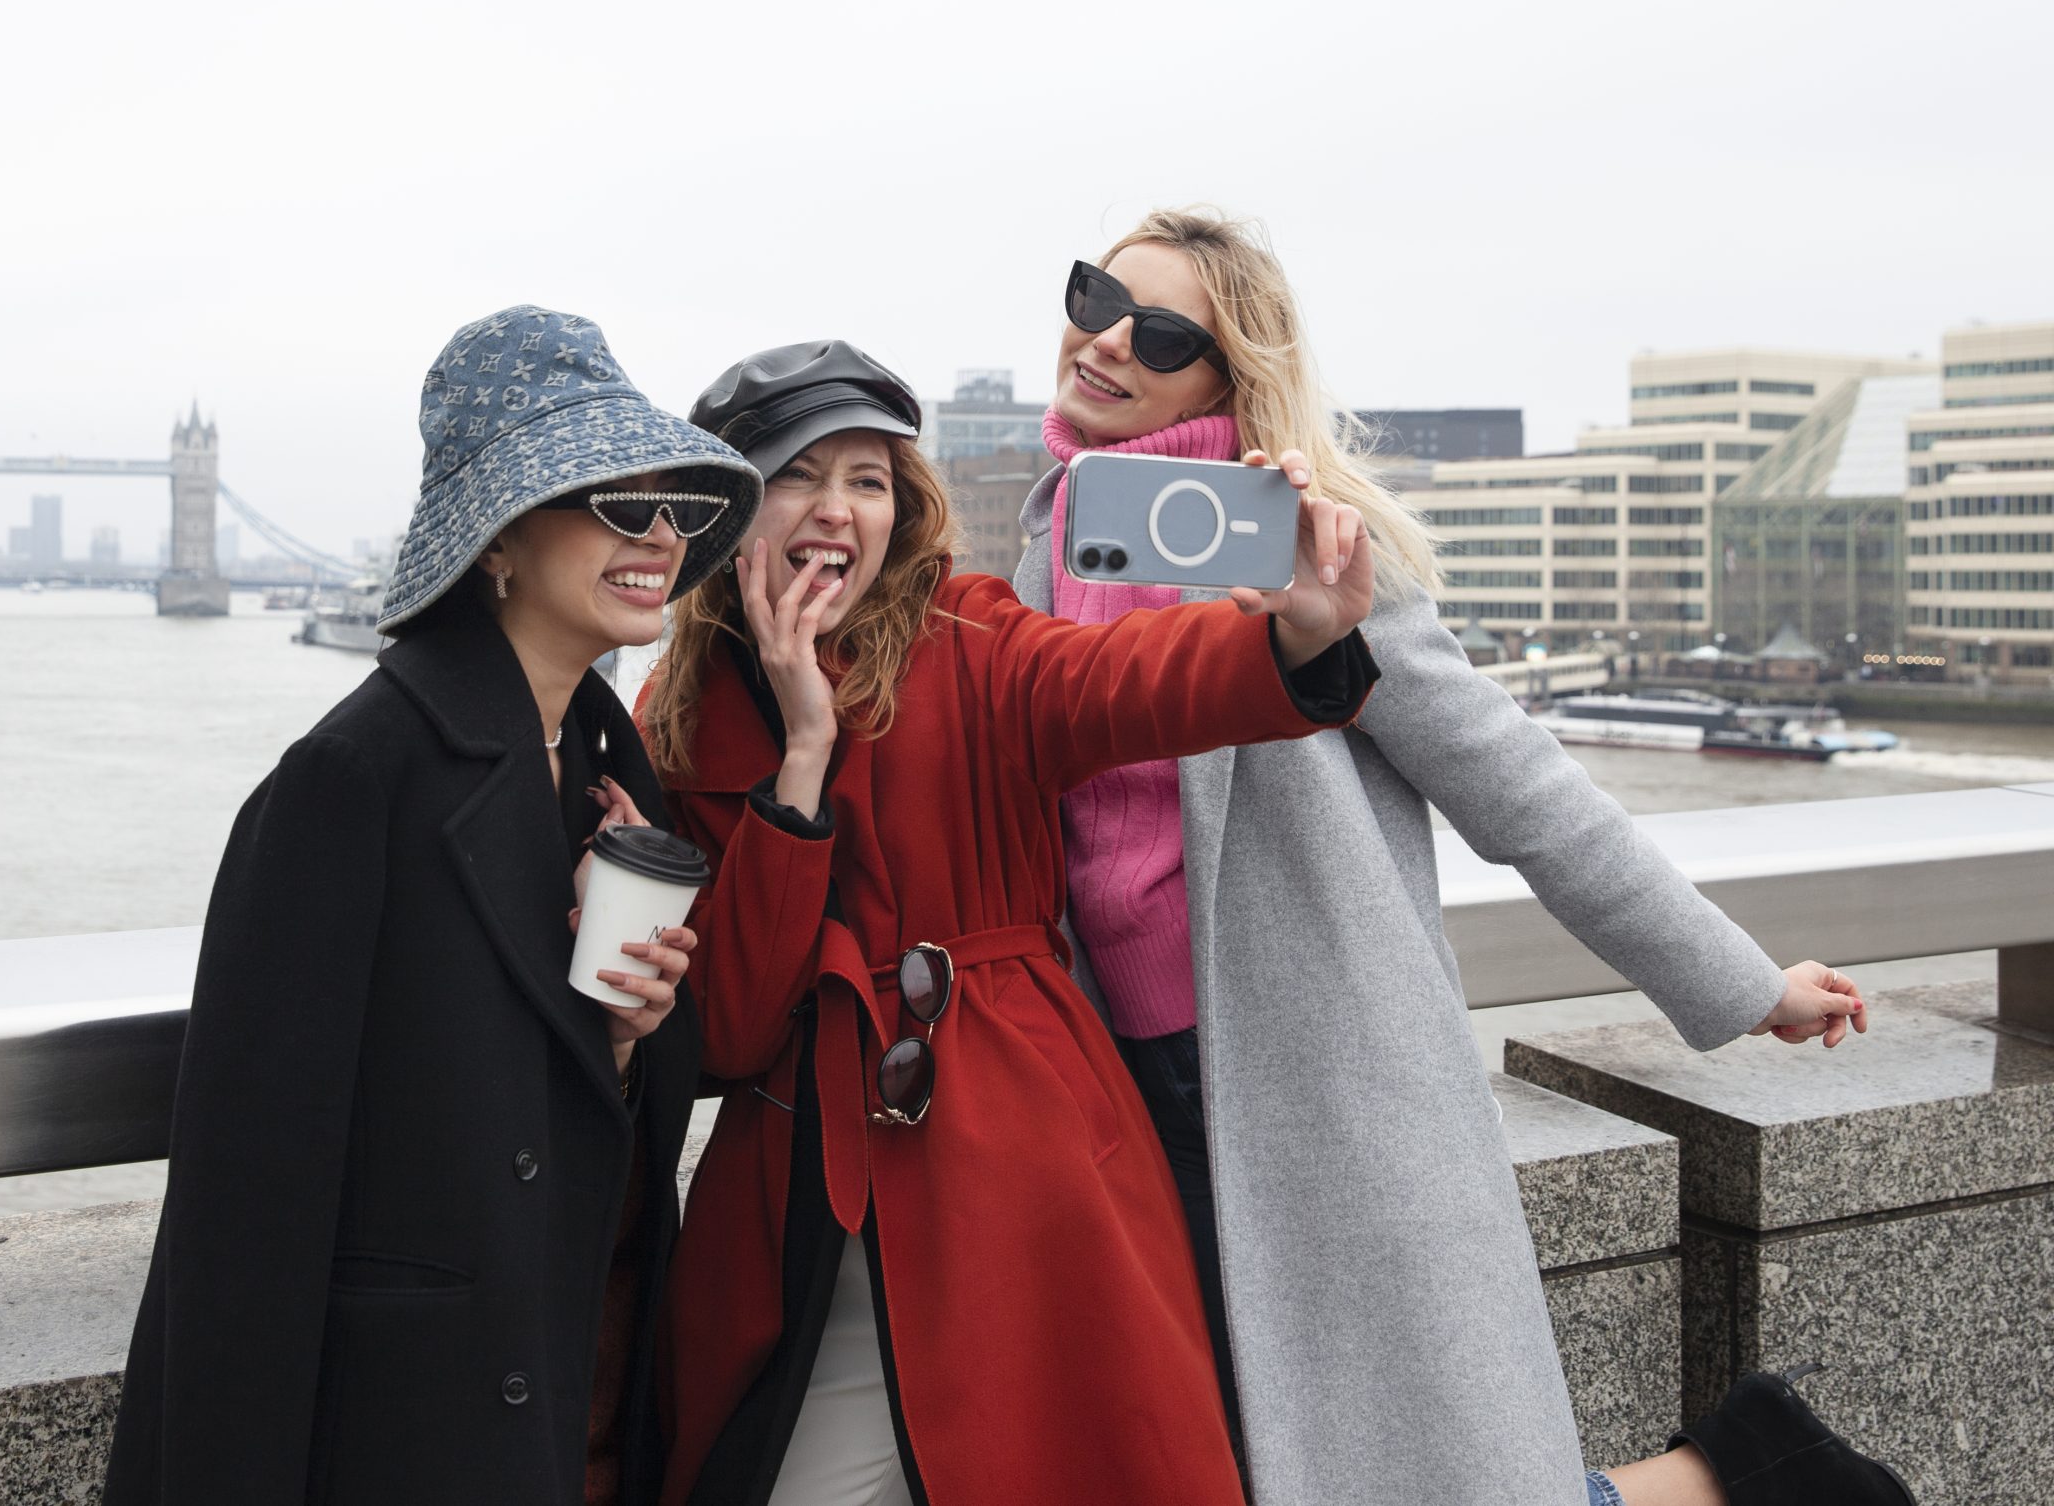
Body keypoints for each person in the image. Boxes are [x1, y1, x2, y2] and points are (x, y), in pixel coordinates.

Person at [1014, 208, 1914, 1506]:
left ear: (1226, 376)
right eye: (1096, 292)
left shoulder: (1306, 549)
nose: (1106, 338)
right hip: (1119, 1081)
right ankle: (1737, 1468)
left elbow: (1523, 787)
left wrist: (1748, 982)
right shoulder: (1050, 536)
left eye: (1159, 331)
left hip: (1306, 1082)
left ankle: (1744, 1473)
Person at [637, 339, 1380, 1506]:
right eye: (797, 472)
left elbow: (1124, 678)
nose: (836, 509)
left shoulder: (970, 636)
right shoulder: (676, 714)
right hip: (800, 1191)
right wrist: (803, 753)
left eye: (869, 479)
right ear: (731, 500)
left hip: (1018, 1165)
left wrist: (1289, 635)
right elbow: (723, 1033)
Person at [102, 307, 761, 1506]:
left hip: (581, 1394)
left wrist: (621, 1033)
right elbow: (245, 1208)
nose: (661, 535)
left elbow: (580, 1117)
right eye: (618, 500)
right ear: (500, 538)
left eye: (681, 507)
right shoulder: (351, 779)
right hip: (409, 1430)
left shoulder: (609, 772)